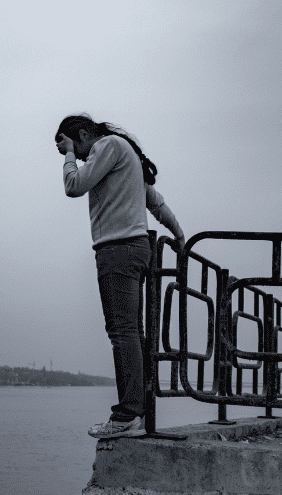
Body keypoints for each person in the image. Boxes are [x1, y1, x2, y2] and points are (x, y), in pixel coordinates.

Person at [55, 113, 185, 439]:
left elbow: (74, 186)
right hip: (138, 249)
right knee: (131, 332)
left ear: (84, 134)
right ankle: (137, 411)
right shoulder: (127, 157)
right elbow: (155, 203)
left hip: (116, 250)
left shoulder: (107, 146)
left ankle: (128, 414)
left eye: (77, 149)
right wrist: (180, 235)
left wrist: (70, 156)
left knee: (121, 332)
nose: (82, 159)